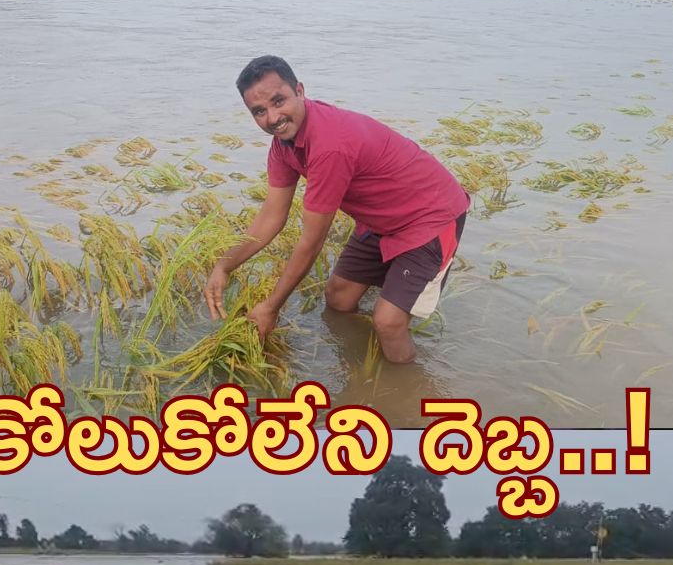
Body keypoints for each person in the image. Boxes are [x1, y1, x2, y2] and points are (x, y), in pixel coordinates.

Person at [203, 55, 473, 366]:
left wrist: (271, 306)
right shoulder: (283, 145)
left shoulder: (329, 145)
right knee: (339, 298)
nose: (273, 117)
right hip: (380, 217)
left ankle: (406, 392)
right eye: (259, 112)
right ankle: (361, 366)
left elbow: (312, 242)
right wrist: (224, 266)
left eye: (279, 101)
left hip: (431, 216)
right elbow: (271, 216)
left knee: (388, 322)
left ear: (300, 90)